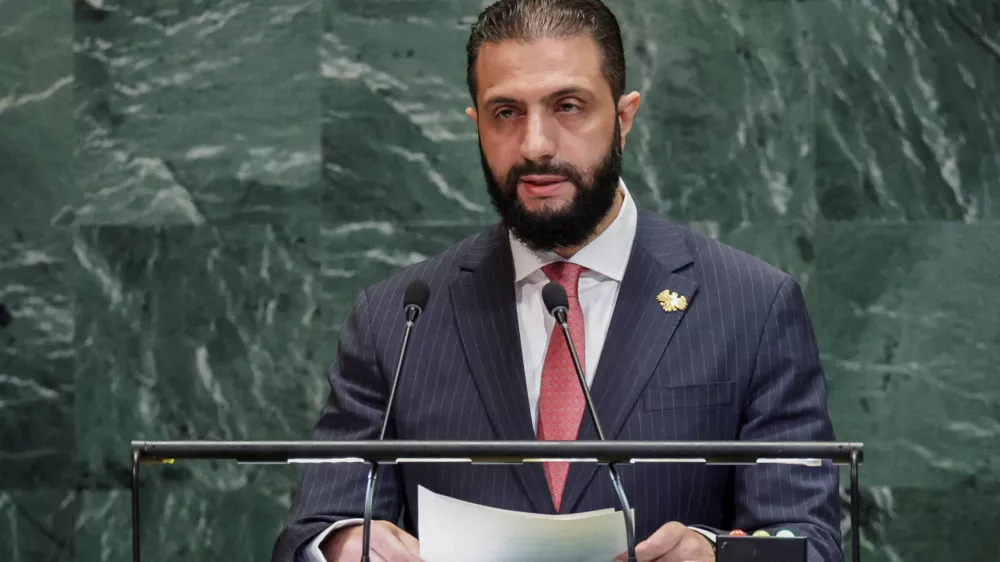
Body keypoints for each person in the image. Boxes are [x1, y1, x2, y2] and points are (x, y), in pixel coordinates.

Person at [271, 1, 842, 561]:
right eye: (506, 113)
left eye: (568, 106)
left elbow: (809, 542)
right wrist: (344, 545)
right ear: (476, 124)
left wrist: (714, 554)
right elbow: (316, 527)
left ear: (624, 116)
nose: (536, 144)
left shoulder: (751, 306)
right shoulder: (396, 316)